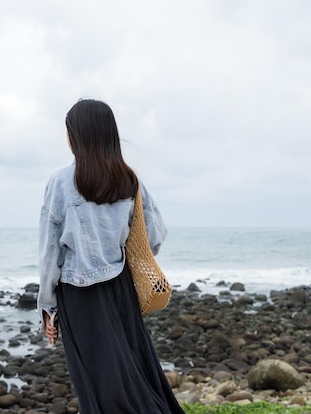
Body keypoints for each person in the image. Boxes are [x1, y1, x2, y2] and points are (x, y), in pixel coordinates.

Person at [37, 99, 184, 413]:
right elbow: (154, 236)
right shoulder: (129, 180)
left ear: (76, 136)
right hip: (121, 290)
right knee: (135, 372)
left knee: (96, 381)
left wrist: (48, 306)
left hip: (78, 295)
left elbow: (50, 253)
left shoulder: (61, 183)